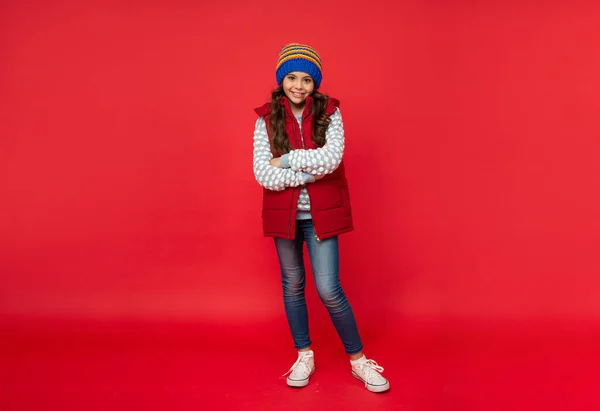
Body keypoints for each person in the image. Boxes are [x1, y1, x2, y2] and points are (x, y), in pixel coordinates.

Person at [252, 43, 390, 393]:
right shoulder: (266, 118)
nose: (298, 86)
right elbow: (261, 175)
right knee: (293, 285)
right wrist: (308, 171)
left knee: (329, 288)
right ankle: (304, 354)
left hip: (319, 216)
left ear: (316, 84)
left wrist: (284, 161)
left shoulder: (331, 112)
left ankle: (358, 360)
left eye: (307, 80)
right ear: (282, 79)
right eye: (292, 78)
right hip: (284, 217)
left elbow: (331, 159)